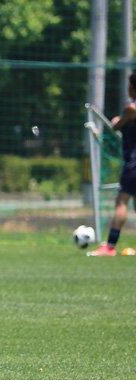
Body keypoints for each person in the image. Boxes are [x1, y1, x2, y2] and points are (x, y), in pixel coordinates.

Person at [87, 72, 136, 256]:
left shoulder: (131, 108)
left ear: (131, 87)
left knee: (121, 202)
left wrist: (118, 120)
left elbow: (116, 126)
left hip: (134, 163)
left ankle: (109, 246)